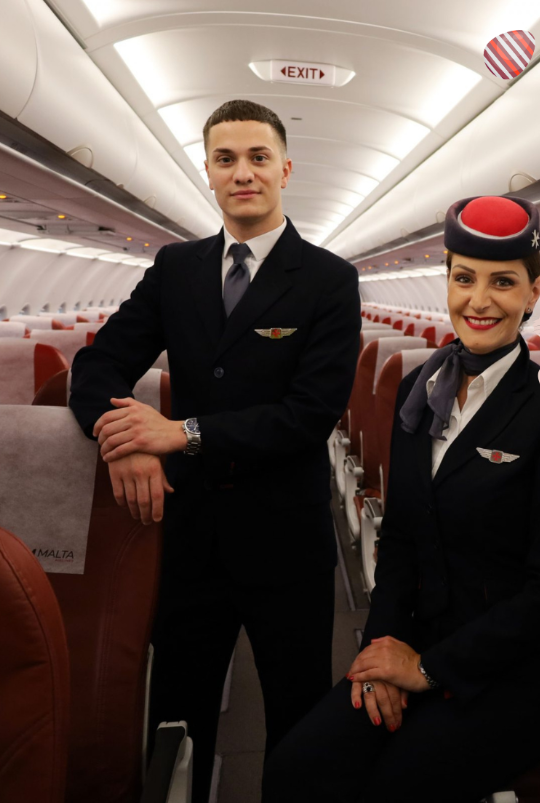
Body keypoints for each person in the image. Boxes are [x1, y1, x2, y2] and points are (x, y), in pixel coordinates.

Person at [68, 100, 361, 803]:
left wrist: (181, 433)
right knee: (178, 720)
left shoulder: (328, 279)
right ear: (208, 171)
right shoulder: (176, 268)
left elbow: (309, 415)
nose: (243, 173)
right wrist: (120, 442)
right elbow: (98, 366)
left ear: (285, 169)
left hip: (285, 541)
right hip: (188, 536)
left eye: (258, 157)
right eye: (226, 159)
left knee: (297, 724)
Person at [262, 196, 540, 802]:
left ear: (532, 294)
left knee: (393, 788)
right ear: (446, 281)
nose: (479, 300)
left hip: (513, 672)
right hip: (415, 643)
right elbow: (399, 540)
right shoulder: (420, 388)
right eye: (464, 278)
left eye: (503, 282)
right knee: (295, 768)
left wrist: (426, 669)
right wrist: (382, 652)